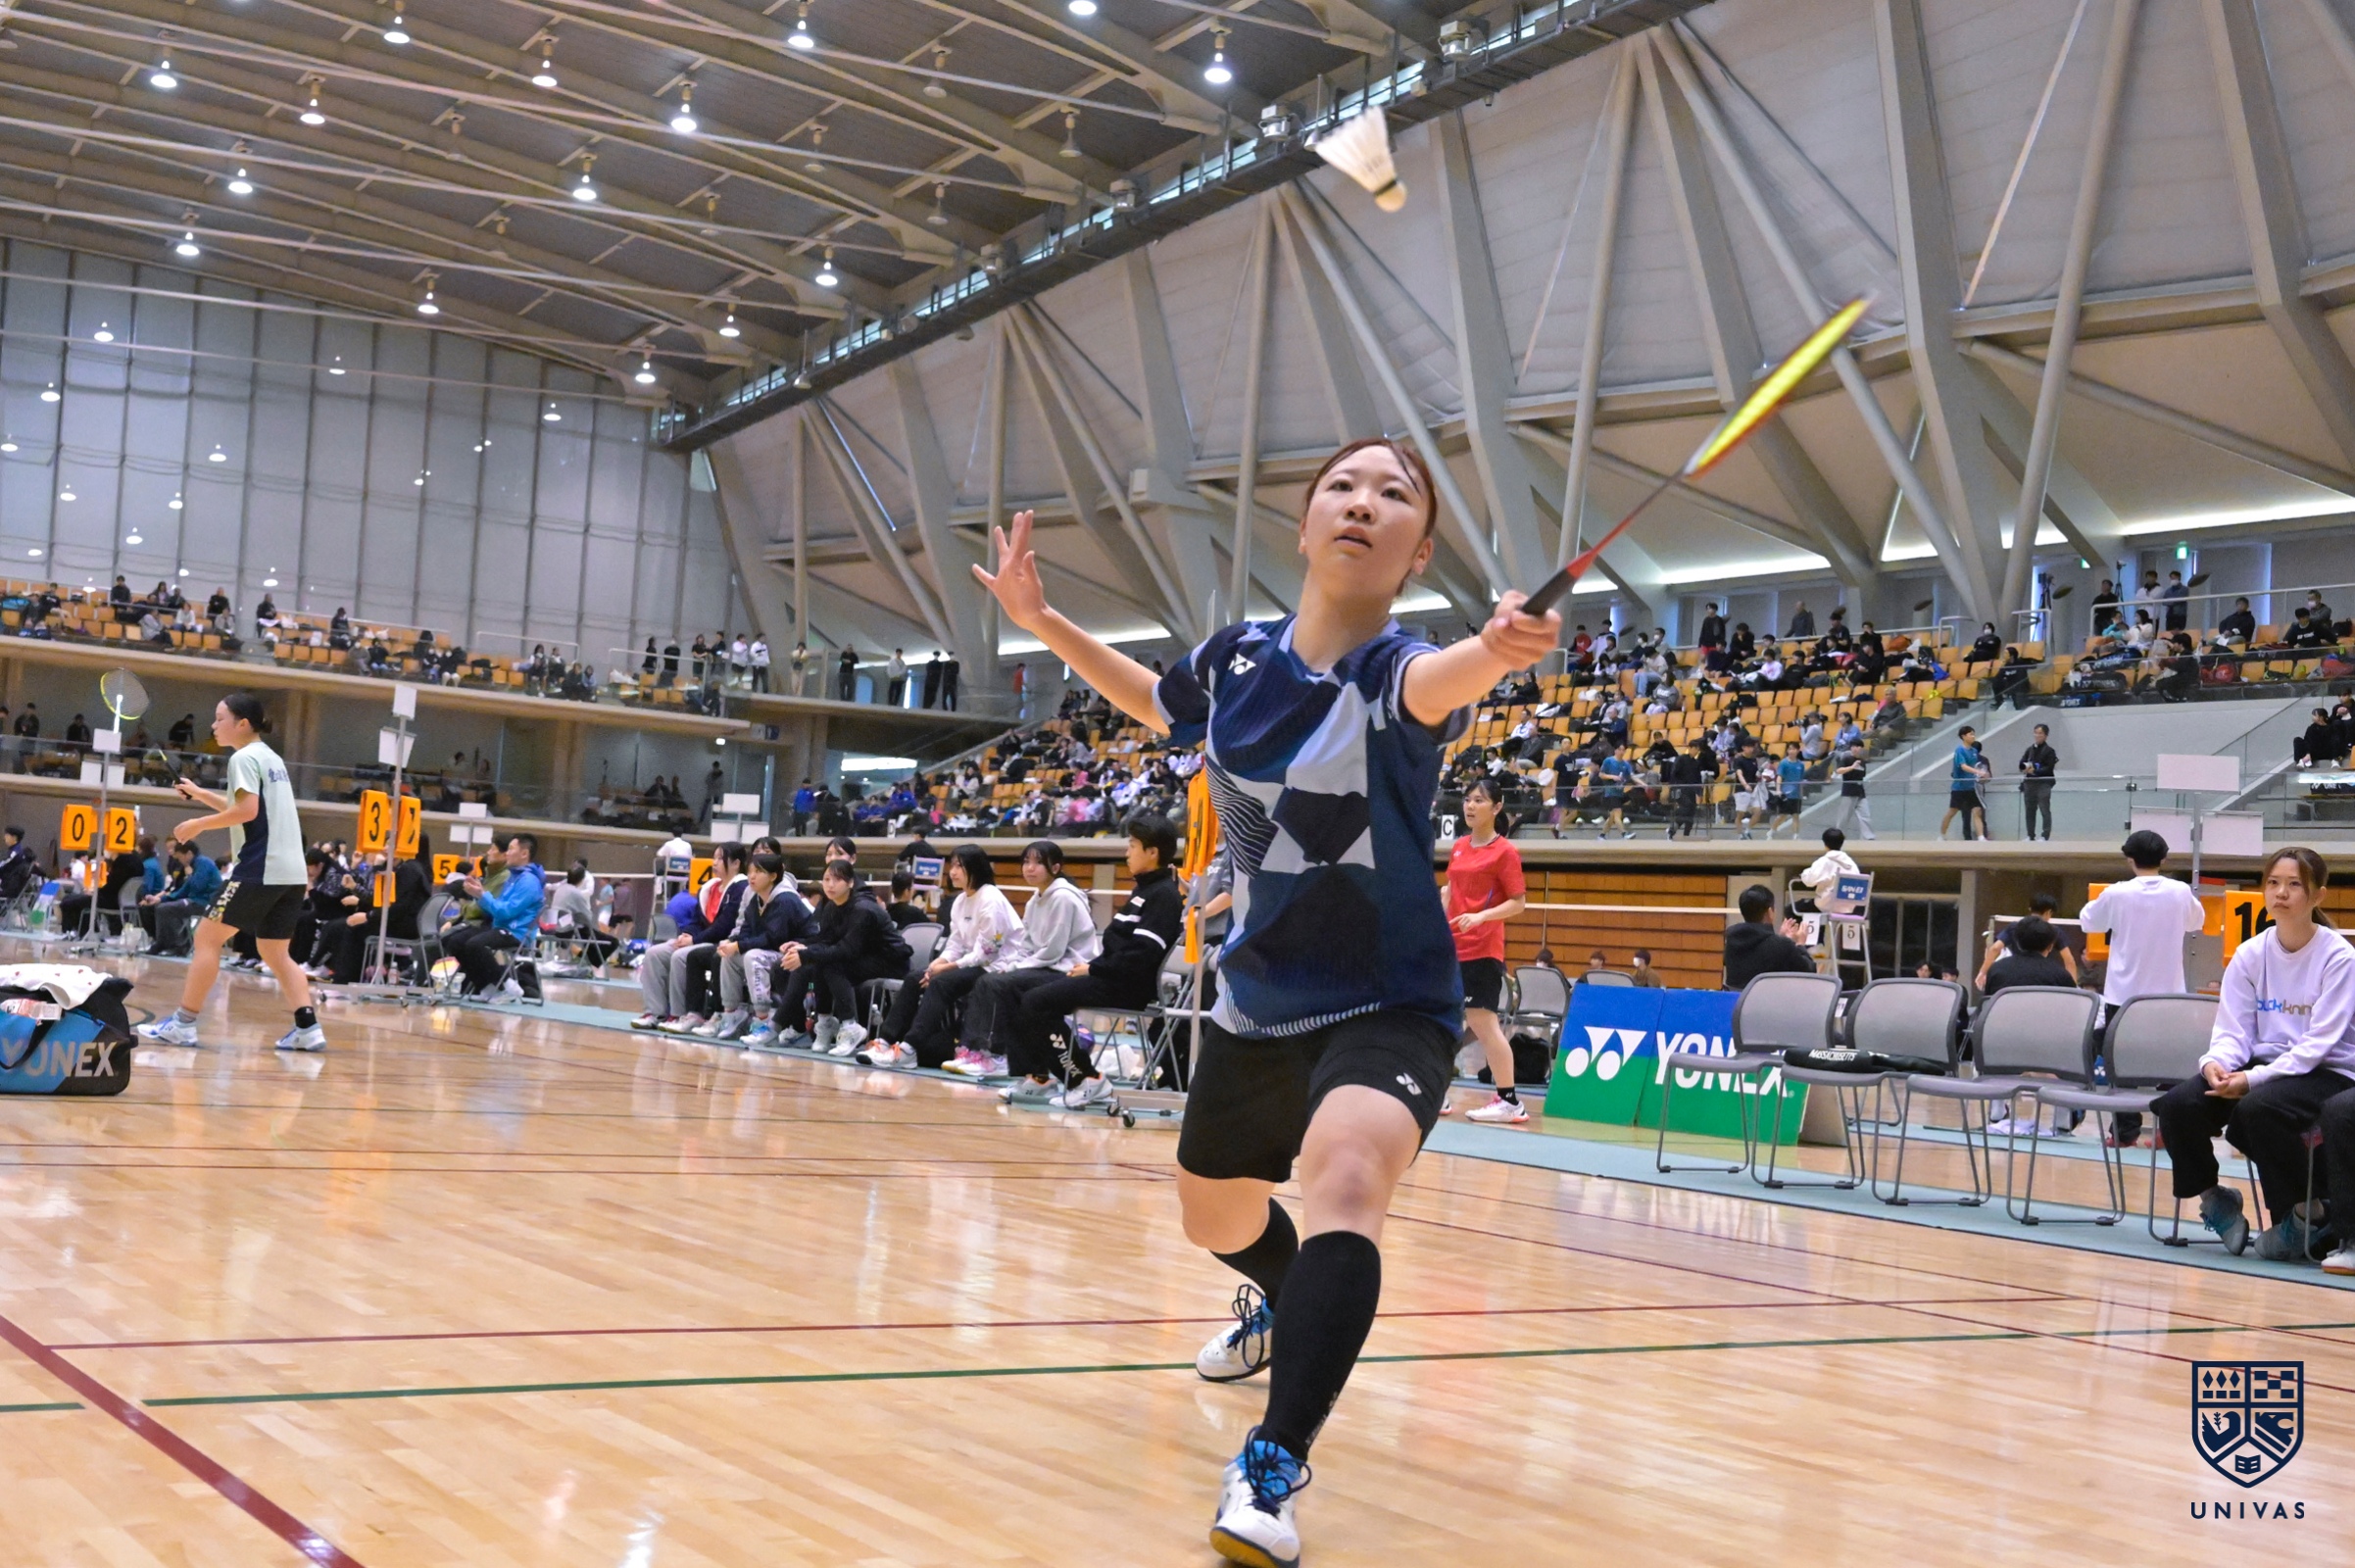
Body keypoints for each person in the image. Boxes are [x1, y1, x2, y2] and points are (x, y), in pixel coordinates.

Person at [971, 434, 1558, 1566]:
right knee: (1215, 1216)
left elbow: (1452, 679)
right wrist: (1043, 622)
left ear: (1417, 552)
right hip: (1257, 998)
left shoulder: (1399, 674)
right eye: (1343, 484)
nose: (1363, 501)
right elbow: (1158, 702)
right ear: (1304, 524)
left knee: (1347, 1178)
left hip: (1390, 998)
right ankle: (1285, 1305)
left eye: (1394, 494)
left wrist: (1497, 647)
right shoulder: (1237, 657)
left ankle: (1272, 1462)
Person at [2158, 848, 2353, 1262]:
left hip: (2328, 1070)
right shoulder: (2250, 954)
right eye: (2273, 883)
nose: (2281, 893)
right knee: (2179, 1104)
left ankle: (2306, 1215)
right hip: (2265, 1067)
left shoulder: (2339, 957)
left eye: (2294, 884)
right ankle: (2216, 1199)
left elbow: (2317, 1045)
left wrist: (2252, 1081)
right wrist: (2216, 1064)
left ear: (2318, 895)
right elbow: (2233, 1031)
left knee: (2258, 1108)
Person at [133, 694, 327, 1052]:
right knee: (275, 951)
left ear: (242, 724)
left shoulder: (243, 758)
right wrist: (200, 793)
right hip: (291, 873)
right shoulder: (271, 758)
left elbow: (247, 812)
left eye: (220, 718)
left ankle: (184, 1024)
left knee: (207, 939)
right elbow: (246, 807)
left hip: (260, 867)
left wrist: (199, 824)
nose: (213, 725)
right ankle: (308, 1028)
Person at [976, 815, 1183, 1107]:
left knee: (1037, 1002)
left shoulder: (1164, 895)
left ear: (1152, 852)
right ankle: (1037, 1076)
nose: (1127, 852)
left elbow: (1141, 955)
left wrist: (1093, 968)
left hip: (1128, 986)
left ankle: (1086, 1079)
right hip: (1108, 976)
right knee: (1014, 988)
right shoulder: (1144, 890)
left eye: (1133, 846)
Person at [2079, 829, 2207, 1147]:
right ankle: (2169, 1131)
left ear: (2130, 859)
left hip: (2123, 995)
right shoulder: (2179, 891)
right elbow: (2197, 922)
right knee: (2171, 1065)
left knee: (2119, 1064)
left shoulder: (2117, 893)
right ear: (2163, 858)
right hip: (2169, 995)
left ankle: (2125, 1133)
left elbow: (2088, 921)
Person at [865, 845, 1017, 1067]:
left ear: (975, 868)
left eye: (959, 866)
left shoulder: (991, 900)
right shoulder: (960, 901)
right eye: (952, 866)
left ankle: (909, 1048)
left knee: (941, 983)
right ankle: (884, 1041)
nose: (952, 872)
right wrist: (935, 964)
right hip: (971, 964)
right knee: (915, 978)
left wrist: (944, 969)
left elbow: (986, 954)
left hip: (997, 966)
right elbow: (955, 943)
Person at [981, 840, 1105, 1094]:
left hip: (1070, 969)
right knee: (999, 983)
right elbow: (1027, 945)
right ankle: (1035, 1074)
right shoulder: (1034, 900)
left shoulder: (1063, 898)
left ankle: (1062, 1075)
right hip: (1045, 967)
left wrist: (1018, 969)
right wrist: (1014, 964)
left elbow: (1053, 950)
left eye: (1038, 863)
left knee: (1009, 986)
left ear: (1055, 868)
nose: (1030, 868)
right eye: (1026, 862)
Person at [1443, 778, 1530, 1124]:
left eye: (1479, 800)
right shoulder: (1459, 846)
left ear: (1497, 807)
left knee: (1483, 1024)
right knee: (1440, 1020)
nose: (1470, 805)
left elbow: (1518, 903)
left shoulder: (1505, 852)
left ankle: (1509, 1101)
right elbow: (1451, 890)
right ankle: (1436, 1092)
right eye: (1468, 799)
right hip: (1452, 948)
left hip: (1482, 949)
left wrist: (1481, 917)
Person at [777, 858, 909, 1054]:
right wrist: (802, 946)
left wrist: (806, 955)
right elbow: (826, 939)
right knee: (822, 962)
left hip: (890, 961)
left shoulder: (862, 909)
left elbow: (847, 950)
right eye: (826, 879)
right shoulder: (831, 906)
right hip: (863, 957)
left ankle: (850, 1026)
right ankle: (825, 1022)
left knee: (833, 964)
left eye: (837, 880)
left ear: (850, 883)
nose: (830, 885)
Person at [445, 834, 546, 997]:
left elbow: (505, 912)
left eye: (511, 849)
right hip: (499, 927)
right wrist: (480, 895)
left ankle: (506, 983)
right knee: (456, 941)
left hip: (516, 932)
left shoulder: (529, 882)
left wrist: (482, 895)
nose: (507, 853)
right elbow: (499, 906)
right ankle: (486, 988)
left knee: (475, 944)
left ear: (524, 854)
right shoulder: (514, 877)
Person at [1723, 884, 1817, 990]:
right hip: (1769, 1000)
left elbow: (1760, 953)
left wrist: (1781, 939)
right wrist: (1800, 944)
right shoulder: (1782, 946)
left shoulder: (1731, 942)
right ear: (1770, 912)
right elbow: (1809, 971)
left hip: (1737, 1000)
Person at [1980, 915, 2075, 996]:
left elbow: (1987, 1003)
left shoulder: (1996, 970)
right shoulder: (2061, 975)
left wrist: (1982, 973)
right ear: (2050, 946)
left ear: (2017, 942)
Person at [1940, 724, 1990, 840]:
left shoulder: (1974, 751)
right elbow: (1963, 766)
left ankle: (1981, 837)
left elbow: (1977, 766)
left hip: (1972, 787)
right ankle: (1942, 834)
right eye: (1970, 734)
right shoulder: (1960, 750)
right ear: (1963, 736)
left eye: (1974, 734)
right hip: (1959, 787)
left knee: (1977, 811)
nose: (1973, 736)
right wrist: (1978, 772)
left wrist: (1983, 774)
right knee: (1952, 811)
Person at [1798, 828, 1859, 909]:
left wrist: (1804, 874)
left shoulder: (1824, 861)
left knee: (1790, 910)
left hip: (1827, 906)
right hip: (1849, 908)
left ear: (1825, 844)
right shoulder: (1851, 863)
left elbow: (1809, 881)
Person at [2018, 722, 2058, 841]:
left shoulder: (2049, 751)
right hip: (2029, 783)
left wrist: (2036, 770)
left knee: (2044, 808)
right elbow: (2021, 763)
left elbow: (2049, 768)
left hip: (2043, 783)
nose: (2037, 736)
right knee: (2029, 810)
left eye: (2040, 733)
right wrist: (2025, 768)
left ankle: (2045, 835)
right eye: (2035, 733)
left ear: (2046, 735)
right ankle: (2030, 835)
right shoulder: (2030, 750)